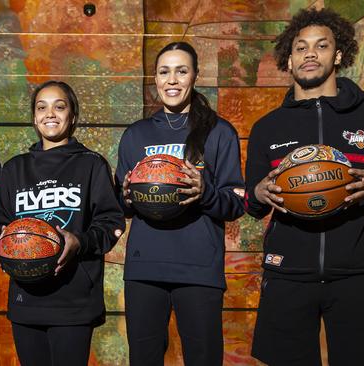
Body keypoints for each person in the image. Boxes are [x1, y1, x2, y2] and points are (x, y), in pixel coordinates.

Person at [245, 8, 364, 366]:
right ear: (289, 58)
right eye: (300, 48)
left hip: (357, 271)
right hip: (288, 273)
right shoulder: (268, 127)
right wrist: (258, 193)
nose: (310, 54)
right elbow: (250, 203)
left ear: (338, 54)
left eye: (321, 46)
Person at [115, 41, 245, 365]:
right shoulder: (136, 135)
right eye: (164, 72)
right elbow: (121, 203)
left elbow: (236, 204)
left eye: (181, 71)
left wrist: (206, 192)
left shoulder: (219, 132)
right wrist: (126, 197)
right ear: (155, 79)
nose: (172, 80)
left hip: (198, 268)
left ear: (195, 76)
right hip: (145, 268)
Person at [0, 80, 125, 366]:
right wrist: (1, 242)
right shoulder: (14, 168)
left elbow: (111, 221)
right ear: (34, 117)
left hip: (74, 301)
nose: (50, 113)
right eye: (42, 107)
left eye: (59, 106)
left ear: (72, 115)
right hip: (26, 298)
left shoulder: (91, 164)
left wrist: (79, 241)